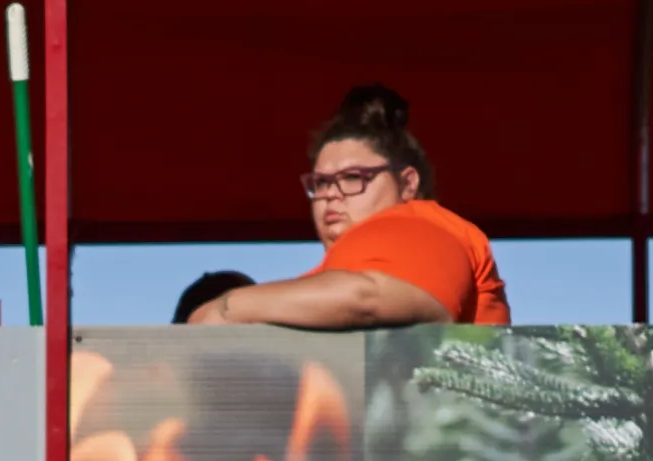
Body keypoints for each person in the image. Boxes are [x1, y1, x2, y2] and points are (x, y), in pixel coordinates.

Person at [186, 85, 511, 328]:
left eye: (353, 177)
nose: (331, 194)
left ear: (408, 184)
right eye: (322, 182)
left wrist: (225, 308)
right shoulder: (332, 273)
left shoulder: (420, 222)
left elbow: (367, 298)